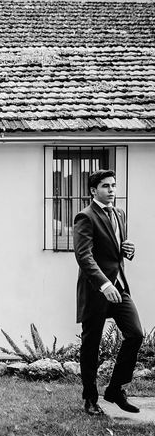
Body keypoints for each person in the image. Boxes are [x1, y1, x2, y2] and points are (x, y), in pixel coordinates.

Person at [74, 169, 143, 416]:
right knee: (91, 346)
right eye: (105, 186)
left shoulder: (119, 213)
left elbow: (115, 251)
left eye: (113, 185)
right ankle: (90, 399)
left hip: (120, 287)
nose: (112, 190)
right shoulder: (85, 217)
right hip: (97, 290)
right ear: (93, 190)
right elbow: (84, 255)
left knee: (135, 334)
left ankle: (115, 389)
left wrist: (128, 249)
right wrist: (104, 284)